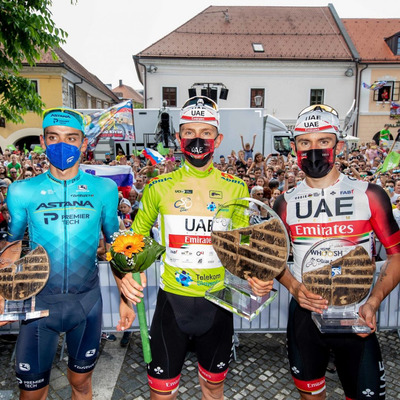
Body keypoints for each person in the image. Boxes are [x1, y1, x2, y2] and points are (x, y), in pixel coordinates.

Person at [120, 96, 273, 400]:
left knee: (213, 388)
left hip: (218, 304)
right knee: (161, 393)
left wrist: (257, 276)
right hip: (171, 305)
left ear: (218, 139)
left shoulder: (236, 187)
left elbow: (241, 248)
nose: (198, 140)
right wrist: (125, 286)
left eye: (206, 133)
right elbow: (131, 244)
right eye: (189, 132)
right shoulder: (157, 187)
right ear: (179, 138)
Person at [0, 107, 135, 400]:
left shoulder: (104, 189)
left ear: (84, 143)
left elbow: (114, 244)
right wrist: (2, 295)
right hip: (38, 306)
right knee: (32, 394)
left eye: (72, 138)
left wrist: (126, 298)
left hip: (86, 304)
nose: (63, 145)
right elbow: (12, 247)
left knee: (82, 384)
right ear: (43, 141)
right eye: (54, 137)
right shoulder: (22, 191)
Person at [273, 104, 400, 400]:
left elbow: (396, 254)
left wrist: (375, 300)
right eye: (305, 143)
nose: (313, 150)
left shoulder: (368, 194)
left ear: (338, 146)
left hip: (358, 313)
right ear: (295, 148)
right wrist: (293, 287)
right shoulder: (285, 202)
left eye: (323, 142)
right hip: (306, 316)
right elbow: (274, 260)